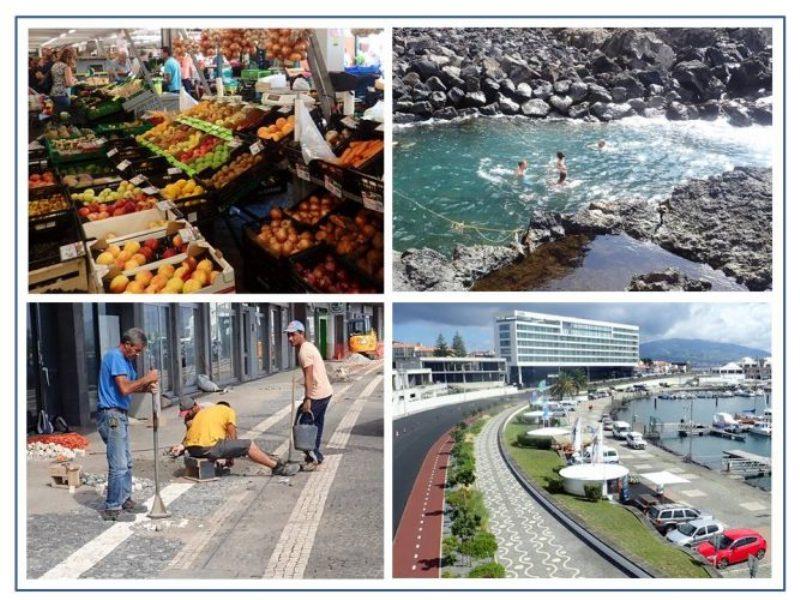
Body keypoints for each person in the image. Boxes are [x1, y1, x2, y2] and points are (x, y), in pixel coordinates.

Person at [96, 328, 160, 521]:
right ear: (127, 344)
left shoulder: (126, 360)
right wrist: (146, 379)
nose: (138, 354)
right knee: (119, 463)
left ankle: (125, 499)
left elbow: (132, 386)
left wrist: (147, 387)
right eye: (136, 350)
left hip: (120, 414)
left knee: (127, 461)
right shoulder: (115, 357)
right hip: (112, 416)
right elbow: (124, 388)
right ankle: (112, 507)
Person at [179, 397, 299, 476]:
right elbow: (232, 435)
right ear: (228, 407)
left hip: (192, 449)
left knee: (216, 443)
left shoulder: (205, 411)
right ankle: (277, 467)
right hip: (207, 447)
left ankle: (217, 469)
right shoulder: (228, 411)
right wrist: (231, 455)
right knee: (247, 445)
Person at [286, 320, 333, 471]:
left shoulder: (304, 351)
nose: (290, 338)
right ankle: (316, 456)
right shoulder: (309, 346)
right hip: (325, 392)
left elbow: (309, 376)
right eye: (288, 335)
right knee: (316, 425)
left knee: (303, 425)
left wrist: (308, 398)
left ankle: (312, 457)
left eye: (293, 335)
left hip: (317, 394)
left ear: (301, 334)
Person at [49, 47, 77, 112]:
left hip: (53, 93)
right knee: (64, 118)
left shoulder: (55, 65)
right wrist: (75, 82)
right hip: (62, 95)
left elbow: (58, 78)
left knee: (56, 116)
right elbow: (69, 84)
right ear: (71, 57)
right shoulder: (66, 67)